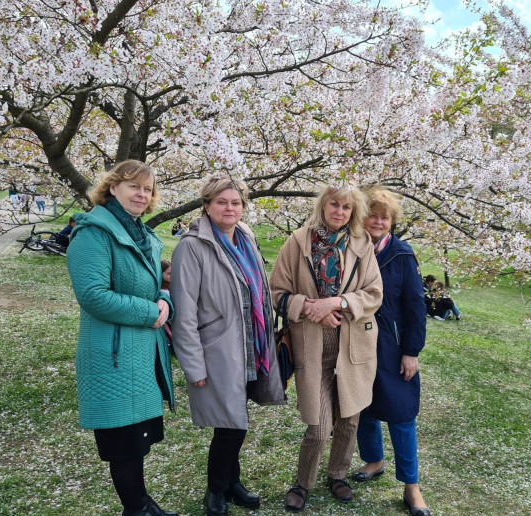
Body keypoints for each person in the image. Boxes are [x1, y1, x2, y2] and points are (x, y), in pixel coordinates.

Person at [66, 160, 176, 516]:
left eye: (147, 188)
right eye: (134, 186)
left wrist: (165, 301)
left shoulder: (143, 235)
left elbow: (153, 286)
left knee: (136, 440)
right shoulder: (93, 233)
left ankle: (141, 504)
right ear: (112, 187)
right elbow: (93, 295)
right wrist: (150, 311)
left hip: (140, 354)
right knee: (123, 442)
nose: (142, 194)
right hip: (113, 355)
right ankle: (136, 507)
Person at [170, 176, 285, 516]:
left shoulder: (245, 237)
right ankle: (217, 489)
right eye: (221, 202)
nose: (229, 208)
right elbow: (185, 312)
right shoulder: (192, 247)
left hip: (251, 345)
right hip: (218, 349)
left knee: (236, 419)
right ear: (206, 206)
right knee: (230, 424)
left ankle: (232, 482)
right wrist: (193, 365)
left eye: (236, 202)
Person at [270, 184, 383, 513]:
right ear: (323, 205)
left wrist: (337, 302)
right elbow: (276, 293)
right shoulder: (298, 242)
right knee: (319, 428)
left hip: (352, 345)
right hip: (311, 345)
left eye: (347, 207)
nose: (340, 212)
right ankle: (302, 483)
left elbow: (374, 294)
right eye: (334, 204)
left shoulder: (362, 244)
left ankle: (338, 475)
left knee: (349, 420)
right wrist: (310, 308)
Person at [353, 186, 431, 516]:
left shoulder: (402, 255)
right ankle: (374, 460)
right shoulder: (351, 249)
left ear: (392, 221)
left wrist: (411, 351)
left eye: (384, 217)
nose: (377, 221)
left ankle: (412, 486)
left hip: (393, 345)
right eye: (372, 215)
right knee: (362, 407)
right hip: (356, 341)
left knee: (402, 414)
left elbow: (416, 306)